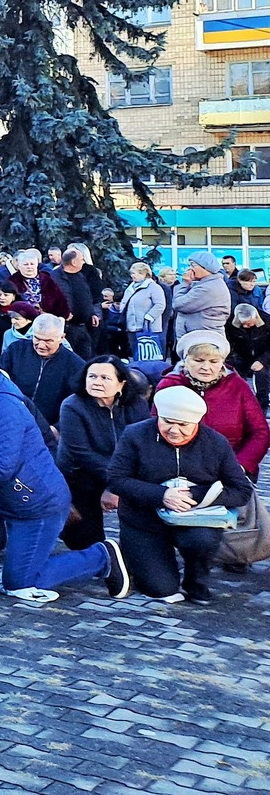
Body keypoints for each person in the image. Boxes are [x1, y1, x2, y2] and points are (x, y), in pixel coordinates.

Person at [0, 341, 128, 604]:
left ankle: (102, 557)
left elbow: (1, 468)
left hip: (35, 505)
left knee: (19, 582)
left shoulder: (3, 406)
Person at [107, 385, 254, 604]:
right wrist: (161, 495)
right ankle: (133, 558)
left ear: (196, 422)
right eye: (167, 422)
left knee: (202, 540)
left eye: (183, 425)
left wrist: (195, 495)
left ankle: (196, 582)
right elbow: (116, 479)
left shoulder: (216, 443)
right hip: (143, 520)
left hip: (194, 519)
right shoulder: (135, 434)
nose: (174, 430)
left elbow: (241, 490)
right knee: (160, 589)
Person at [55, 355, 149, 553]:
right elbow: (81, 452)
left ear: (121, 384)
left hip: (125, 473)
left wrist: (118, 485)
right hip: (80, 475)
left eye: (105, 378)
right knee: (84, 541)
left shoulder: (136, 405)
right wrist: (117, 481)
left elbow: (142, 445)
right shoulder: (72, 405)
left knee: (141, 525)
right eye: (92, 376)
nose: (97, 382)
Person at [155, 330, 269, 481]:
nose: (206, 367)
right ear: (185, 360)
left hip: (231, 470)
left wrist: (239, 465)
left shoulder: (238, 386)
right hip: (178, 473)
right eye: (199, 360)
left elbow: (260, 432)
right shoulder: (169, 385)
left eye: (214, 361)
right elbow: (155, 430)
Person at [1, 314, 85, 433]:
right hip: (8, 420)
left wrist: (58, 428)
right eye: (37, 338)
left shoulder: (76, 365)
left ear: (62, 338)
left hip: (47, 430)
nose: (41, 345)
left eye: (48, 341)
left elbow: (79, 403)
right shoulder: (15, 350)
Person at [170, 252, 231, 350]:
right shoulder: (203, 284)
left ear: (205, 268)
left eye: (193, 265)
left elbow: (179, 304)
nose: (189, 269)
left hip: (204, 341)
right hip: (197, 339)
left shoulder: (208, 287)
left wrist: (185, 284)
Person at [55, 243, 105, 357]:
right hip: (68, 326)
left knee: (86, 355)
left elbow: (87, 295)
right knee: (70, 356)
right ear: (73, 262)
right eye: (82, 259)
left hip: (83, 325)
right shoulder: (57, 276)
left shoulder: (80, 275)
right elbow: (63, 295)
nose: (84, 262)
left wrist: (92, 313)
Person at [8, 248, 72, 320]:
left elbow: (59, 299)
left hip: (46, 320)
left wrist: (64, 314)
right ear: (19, 266)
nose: (29, 267)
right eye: (25, 264)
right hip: (23, 321)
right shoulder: (12, 281)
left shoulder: (47, 279)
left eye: (32, 264)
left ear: (37, 265)